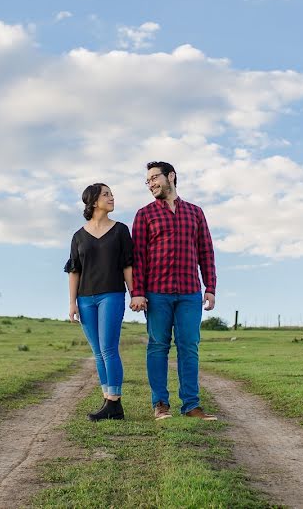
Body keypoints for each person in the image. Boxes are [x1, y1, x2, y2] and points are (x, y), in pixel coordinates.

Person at [130, 161, 218, 421]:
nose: (151, 184)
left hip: (190, 292)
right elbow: (138, 257)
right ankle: (160, 404)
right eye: (148, 181)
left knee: (189, 347)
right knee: (158, 346)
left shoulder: (195, 212)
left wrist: (210, 287)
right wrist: (138, 292)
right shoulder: (144, 214)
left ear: (171, 176)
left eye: (155, 178)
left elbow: (206, 252)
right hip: (157, 293)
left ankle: (191, 406)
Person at [65, 183, 134, 421]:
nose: (112, 197)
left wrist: (135, 293)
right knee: (98, 352)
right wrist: (72, 303)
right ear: (93, 201)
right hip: (85, 299)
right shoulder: (78, 236)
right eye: (106, 194)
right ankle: (108, 401)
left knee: (108, 349)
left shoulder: (121, 230)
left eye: (112, 193)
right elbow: (74, 271)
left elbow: (128, 265)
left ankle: (115, 403)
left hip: (111, 295)